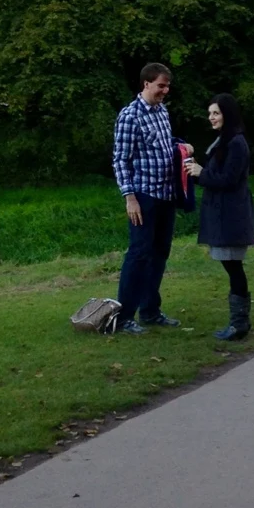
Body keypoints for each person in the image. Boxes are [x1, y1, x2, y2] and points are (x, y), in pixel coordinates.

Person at [112, 62, 192, 337]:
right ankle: (124, 317)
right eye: (161, 86)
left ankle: (150, 311)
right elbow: (120, 160)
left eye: (167, 86)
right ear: (146, 84)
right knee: (139, 254)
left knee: (159, 253)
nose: (165, 91)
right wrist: (130, 198)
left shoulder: (162, 111)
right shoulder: (130, 116)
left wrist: (181, 147)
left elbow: (163, 146)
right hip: (144, 197)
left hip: (166, 195)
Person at [185, 93, 254, 341]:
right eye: (210, 113)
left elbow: (228, 180)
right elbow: (215, 175)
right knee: (232, 266)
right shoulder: (224, 140)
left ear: (227, 114)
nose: (211, 118)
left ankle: (239, 324)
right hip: (221, 213)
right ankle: (239, 323)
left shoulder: (236, 143)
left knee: (234, 267)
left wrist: (202, 172)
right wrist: (196, 171)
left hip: (231, 215)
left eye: (216, 113)